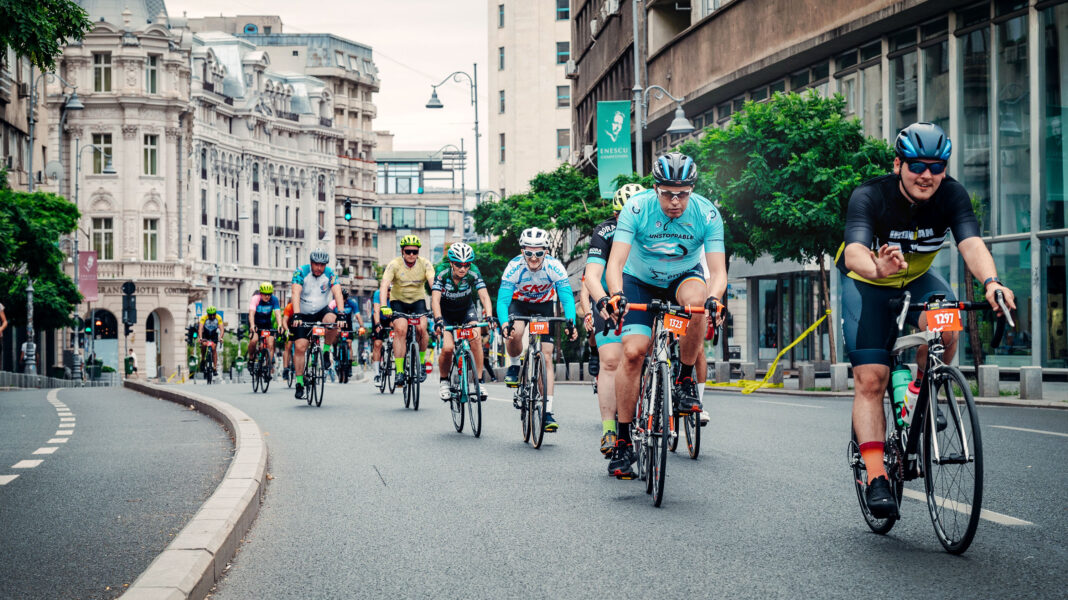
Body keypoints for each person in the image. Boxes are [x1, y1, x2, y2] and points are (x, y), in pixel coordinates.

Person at [837, 122, 1015, 519]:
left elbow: (971, 243)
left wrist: (992, 282)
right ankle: (877, 477)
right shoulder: (870, 195)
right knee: (871, 378)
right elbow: (853, 253)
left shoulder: (951, 195)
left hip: (917, 280)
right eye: (917, 165)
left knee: (947, 326)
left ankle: (919, 391)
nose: (926, 175)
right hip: (868, 284)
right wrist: (876, 267)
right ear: (898, 164)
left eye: (936, 167)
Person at [603, 152, 727, 479]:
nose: (675, 201)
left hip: (682, 277)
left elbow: (718, 272)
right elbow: (615, 263)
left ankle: (684, 379)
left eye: (683, 194)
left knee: (698, 303)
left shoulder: (707, 213)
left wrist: (715, 299)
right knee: (633, 352)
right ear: (655, 188)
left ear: (692, 190)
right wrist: (616, 294)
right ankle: (624, 441)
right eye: (668, 193)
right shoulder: (636, 209)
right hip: (639, 281)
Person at [583, 182, 645, 457]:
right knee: (610, 361)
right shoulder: (604, 231)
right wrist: (600, 301)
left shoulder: (655, 228)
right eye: (622, 214)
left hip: (644, 296)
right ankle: (610, 429)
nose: (628, 220)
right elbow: (592, 276)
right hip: (611, 298)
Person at [497, 227, 578, 432]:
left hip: (544, 306)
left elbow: (567, 298)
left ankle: (547, 412)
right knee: (515, 332)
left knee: (547, 356)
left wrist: (571, 323)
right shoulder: (514, 267)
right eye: (529, 253)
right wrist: (504, 324)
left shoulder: (555, 267)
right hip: (519, 304)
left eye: (539, 253)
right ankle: (515, 365)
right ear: (522, 251)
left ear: (546, 252)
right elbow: (503, 301)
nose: (533, 258)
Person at [431, 242, 497, 400]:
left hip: (466, 311)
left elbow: (484, 295)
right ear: (451, 263)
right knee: (448, 348)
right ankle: (444, 381)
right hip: (445, 314)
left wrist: (489, 315)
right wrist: (438, 319)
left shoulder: (473, 271)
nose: (463, 268)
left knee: (476, 338)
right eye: (459, 265)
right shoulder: (442, 271)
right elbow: (435, 300)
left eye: (466, 265)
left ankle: (479, 382)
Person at [379, 235, 435, 386]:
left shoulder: (425, 264)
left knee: (422, 328)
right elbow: (384, 285)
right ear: (402, 251)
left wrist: (439, 305)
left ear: (418, 253)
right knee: (401, 330)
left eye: (415, 252)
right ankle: (399, 371)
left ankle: (421, 363)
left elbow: (433, 285)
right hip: (398, 301)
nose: (411, 255)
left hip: (418, 301)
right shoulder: (394, 264)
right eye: (408, 251)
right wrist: (384, 306)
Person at [291, 247, 346, 400]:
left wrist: (341, 314)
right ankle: (299, 383)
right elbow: (295, 292)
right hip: (303, 313)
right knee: (300, 346)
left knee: (333, 321)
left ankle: (326, 351)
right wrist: (296, 314)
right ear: (311, 263)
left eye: (322, 265)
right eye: (316, 264)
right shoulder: (301, 272)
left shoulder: (330, 273)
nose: (319, 268)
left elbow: (337, 292)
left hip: (322, 310)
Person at [247, 282, 283, 376]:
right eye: (265, 294)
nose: (267, 296)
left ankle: (268, 367)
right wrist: (252, 325)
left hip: (267, 324)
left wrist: (280, 325)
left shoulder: (274, 299)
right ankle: (251, 358)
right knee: (254, 340)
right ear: (261, 293)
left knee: (270, 344)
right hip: (255, 323)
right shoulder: (255, 299)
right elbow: (251, 313)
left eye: (269, 294)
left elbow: (277, 313)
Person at [331, 289, 366, 378]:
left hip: (348, 326)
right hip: (336, 324)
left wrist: (362, 326)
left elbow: (358, 316)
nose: (343, 300)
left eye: (345, 298)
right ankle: (335, 352)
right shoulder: (333, 303)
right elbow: (330, 316)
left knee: (349, 345)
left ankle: (349, 367)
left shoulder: (352, 303)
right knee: (335, 335)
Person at [370, 287, 393, 384]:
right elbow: (376, 311)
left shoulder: (396, 292)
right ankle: (377, 374)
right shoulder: (378, 293)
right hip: (379, 317)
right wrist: (377, 324)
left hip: (391, 318)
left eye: (390, 291)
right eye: (387, 291)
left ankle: (391, 351)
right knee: (377, 344)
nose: (388, 294)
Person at [198, 306, 223, 375]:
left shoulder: (218, 318)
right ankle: (203, 359)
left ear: (215, 314)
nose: (212, 316)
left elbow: (222, 329)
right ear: (207, 314)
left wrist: (221, 337)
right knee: (203, 345)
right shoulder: (203, 318)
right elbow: (200, 328)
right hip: (205, 335)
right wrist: (200, 338)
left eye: (213, 315)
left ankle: (215, 368)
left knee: (213, 348)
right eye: (210, 315)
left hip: (213, 335)